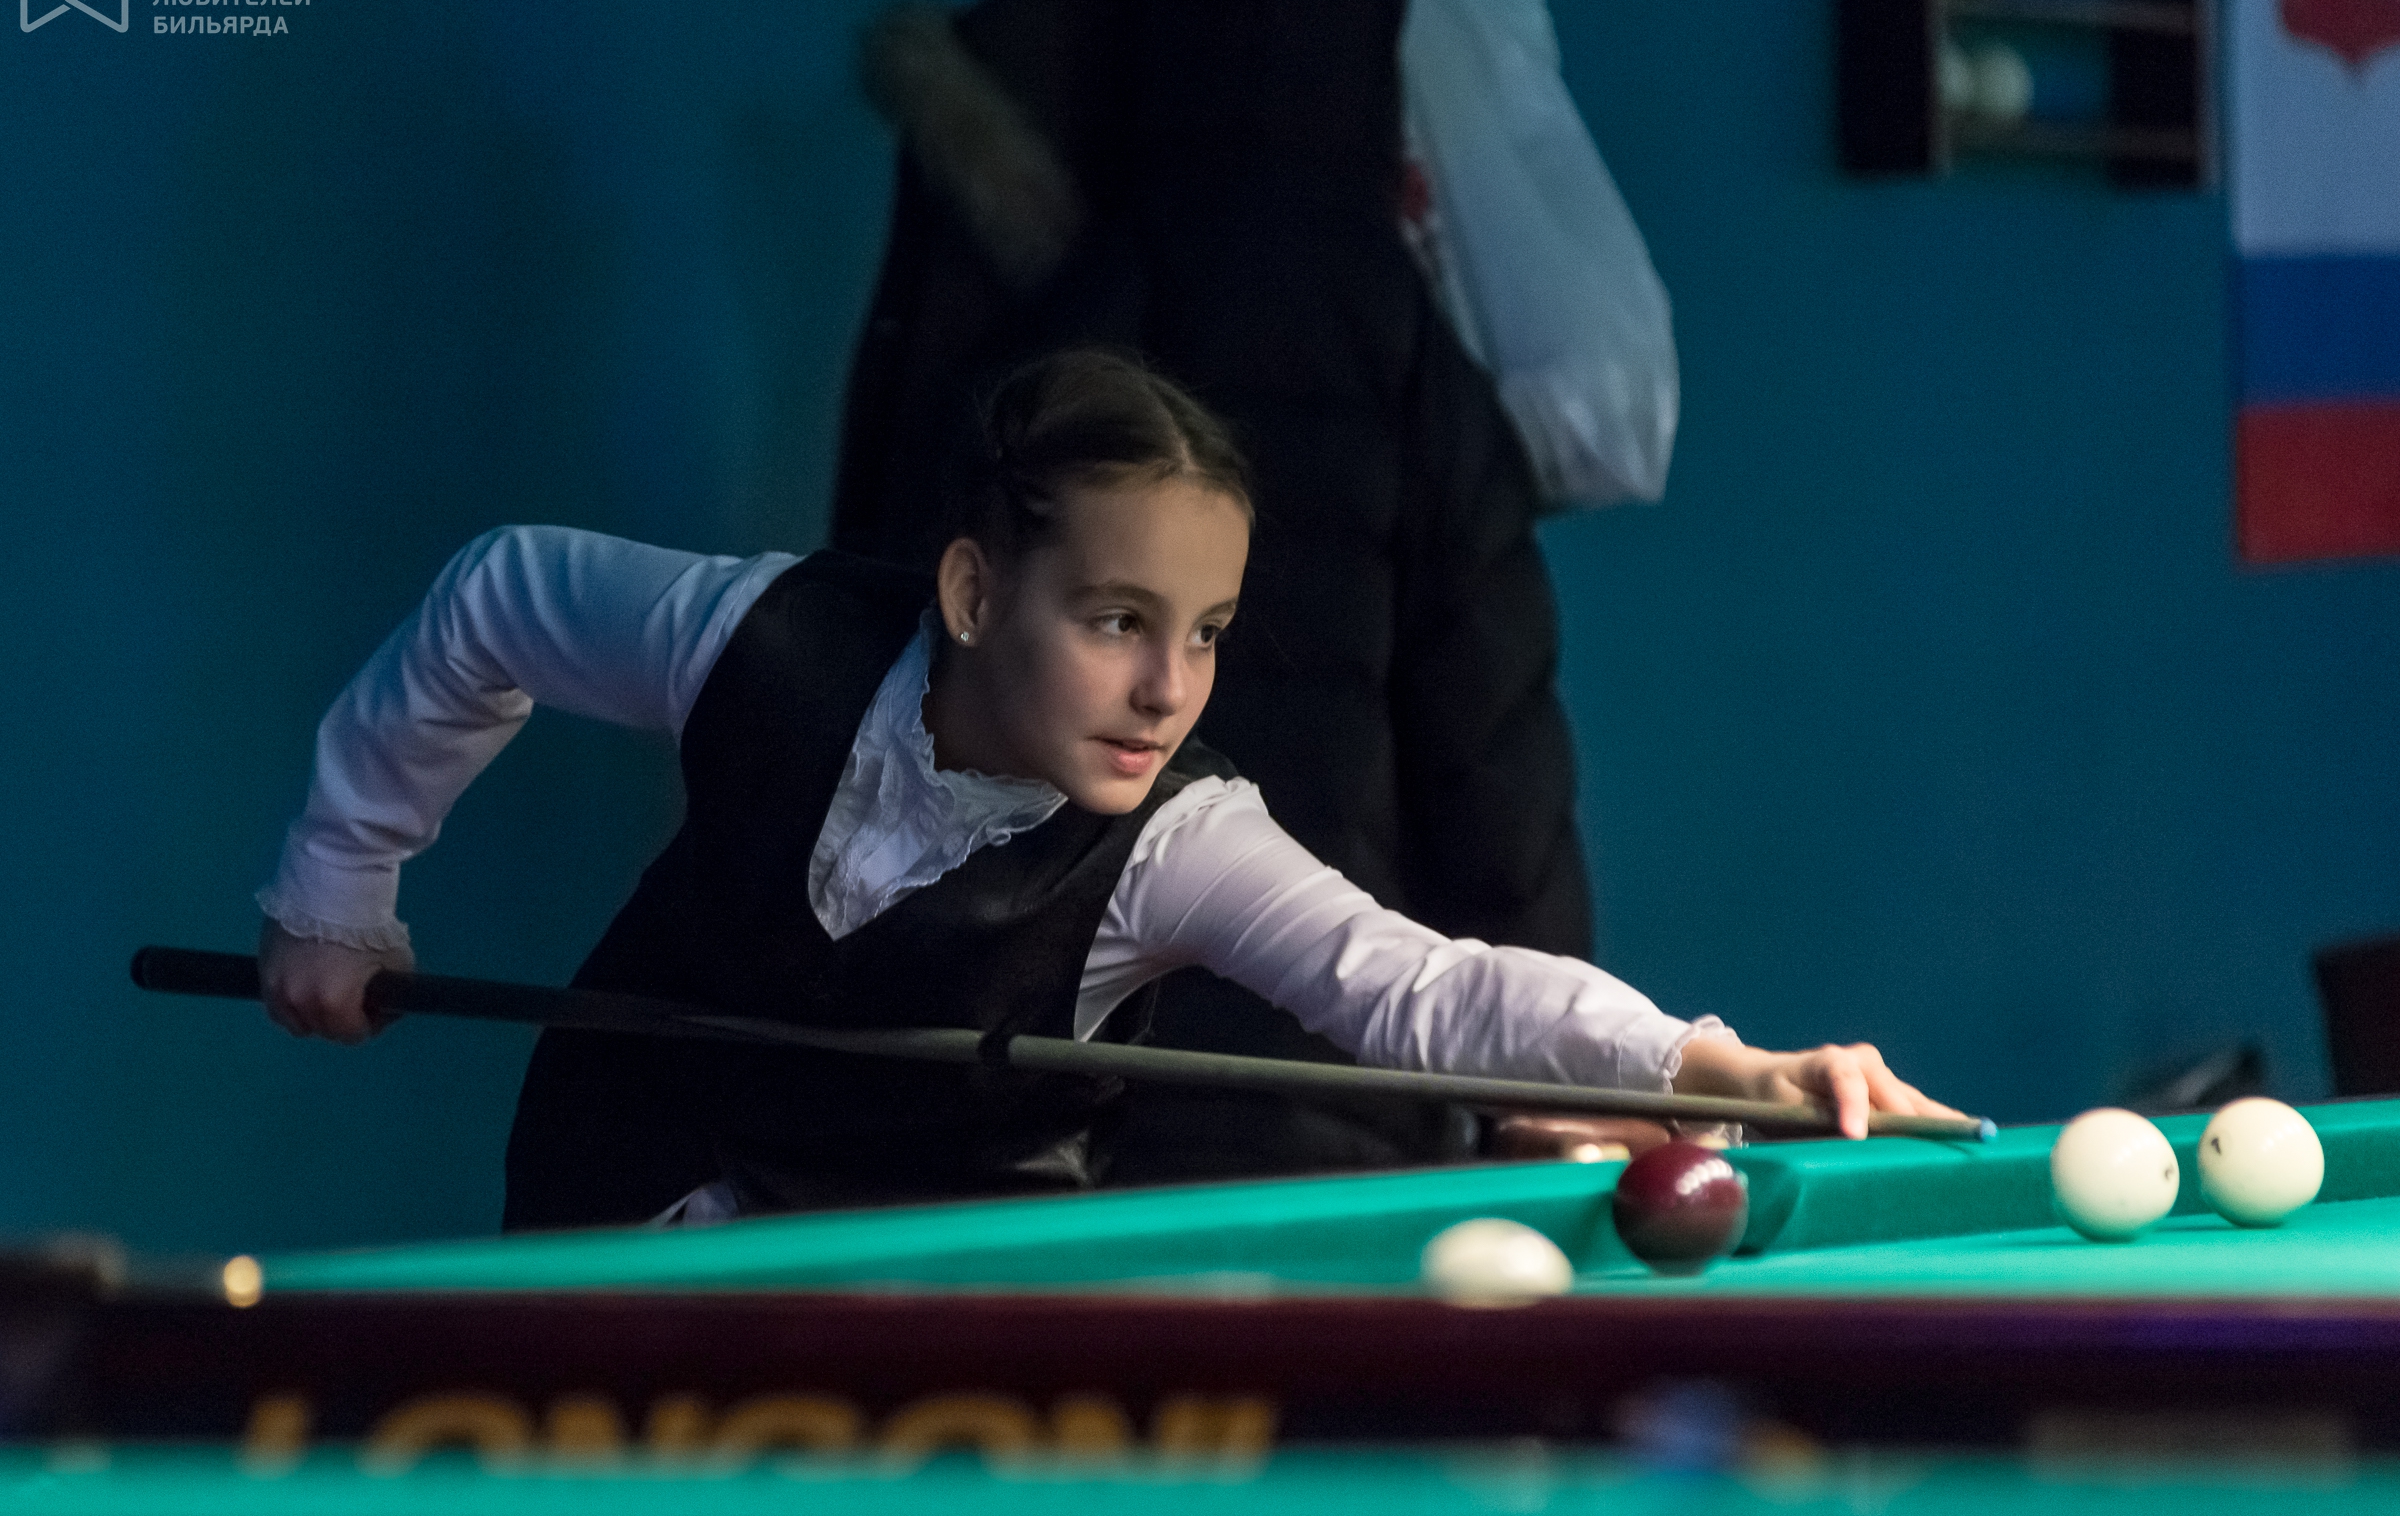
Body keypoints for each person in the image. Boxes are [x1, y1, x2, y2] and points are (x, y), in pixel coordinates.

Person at [257, 349, 1963, 1230]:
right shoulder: (758, 638)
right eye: (1118, 621)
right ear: (973, 590)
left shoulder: (1180, 840)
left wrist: (1717, 1072)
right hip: (624, 1194)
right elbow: (495, 599)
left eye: (1206, 633)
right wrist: (341, 888)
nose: (1168, 688)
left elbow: (1424, 988)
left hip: (938, 1285)